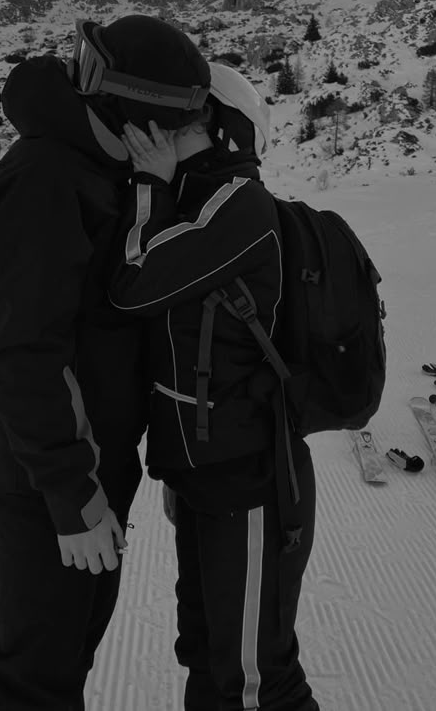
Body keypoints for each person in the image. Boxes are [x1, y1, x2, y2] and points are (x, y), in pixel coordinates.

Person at [0, 15, 211, 711]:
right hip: (49, 477)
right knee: (32, 680)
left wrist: (157, 188)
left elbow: (124, 294)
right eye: (170, 124)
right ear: (131, 114)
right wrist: (72, 494)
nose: (174, 141)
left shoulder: (99, 166)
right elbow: (17, 354)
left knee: (66, 657)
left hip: (93, 464)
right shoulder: (45, 178)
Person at [108, 63, 320, 711]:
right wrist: (175, 471)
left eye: (186, 121)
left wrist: (149, 182)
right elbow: (174, 354)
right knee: (204, 654)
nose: (166, 134)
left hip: (253, 482)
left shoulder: (240, 207)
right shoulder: (193, 206)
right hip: (205, 480)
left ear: (224, 132)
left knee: (256, 678)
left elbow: (136, 280)